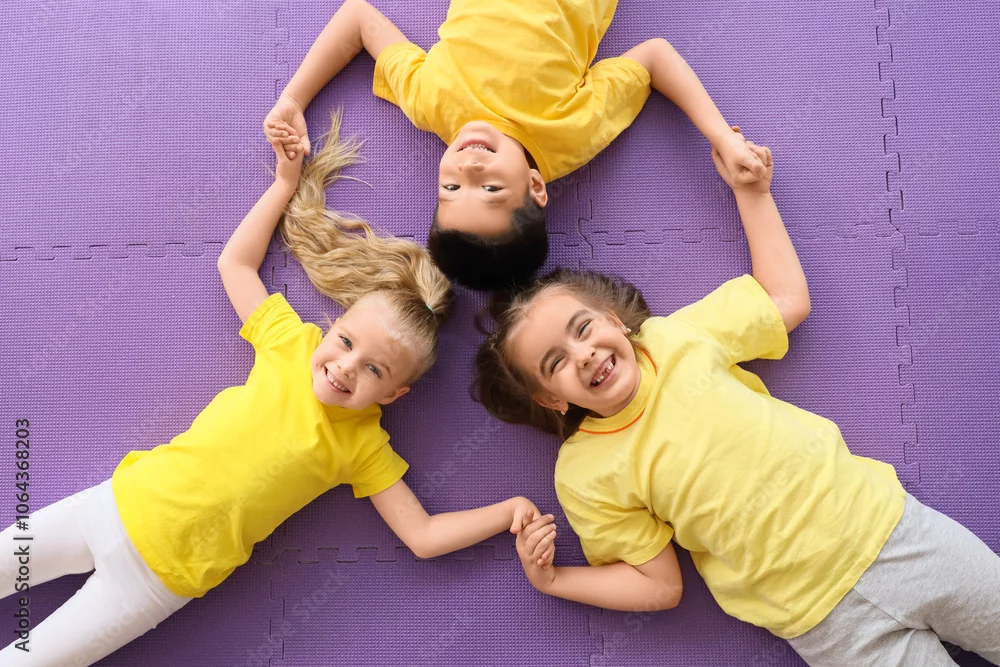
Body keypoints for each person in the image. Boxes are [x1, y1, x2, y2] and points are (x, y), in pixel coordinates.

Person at [0, 114, 545, 666]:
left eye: (375, 371)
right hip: (107, 509)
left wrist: (508, 511)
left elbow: (422, 535)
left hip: (153, 587)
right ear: (331, 327)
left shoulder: (362, 447)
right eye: (345, 341)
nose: (345, 367)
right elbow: (235, 264)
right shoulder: (292, 344)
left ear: (393, 396)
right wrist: (285, 183)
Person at [474, 128, 1000, 666]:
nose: (583, 354)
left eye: (583, 328)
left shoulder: (675, 338)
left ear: (614, 321)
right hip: (821, 620)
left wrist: (753, 193)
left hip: (893, 534)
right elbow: (660, 586)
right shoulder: (583, 474)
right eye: (556, 363)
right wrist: (554, 580)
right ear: (551, 400)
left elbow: (785, 300)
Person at [264, 0, 765, 290]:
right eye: (490, 190)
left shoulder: (431, 104)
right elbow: (654, 58)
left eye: (451, 188)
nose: (469, 167)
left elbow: (358, 19)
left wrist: (293, 98)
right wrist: (721, 136)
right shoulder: (569, 134)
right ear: (535, 187)